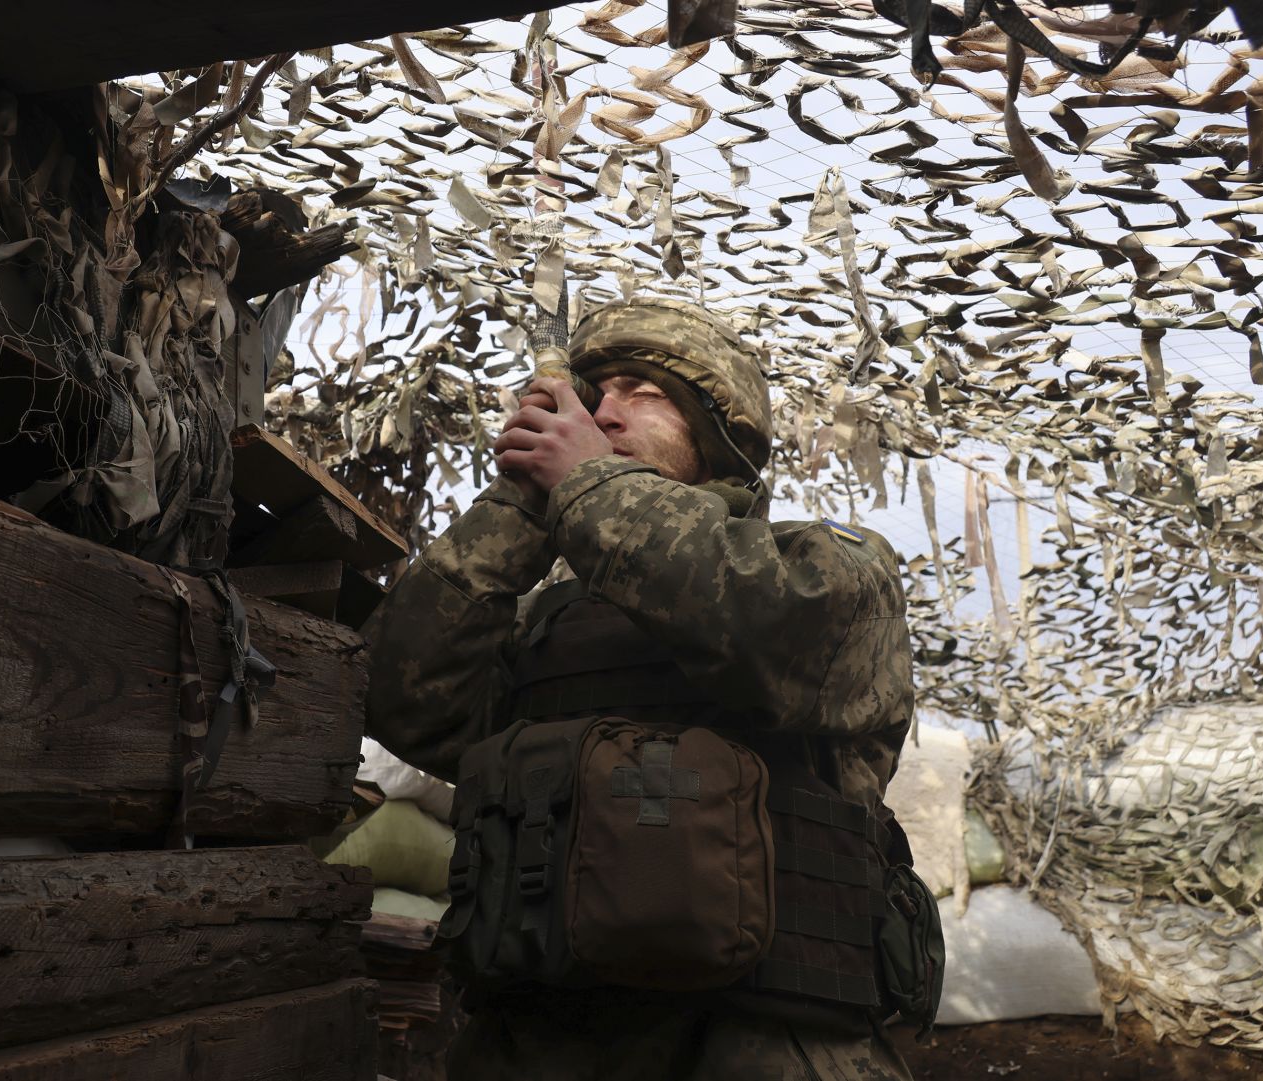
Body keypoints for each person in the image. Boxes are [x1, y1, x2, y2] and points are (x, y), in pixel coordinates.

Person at [364, 298, 924, 1081]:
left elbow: (756, 620)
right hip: (538, 1047)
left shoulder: (832, 567)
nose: (604, 412)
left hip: (765, 1049)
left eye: (645, 392)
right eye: (594, 394)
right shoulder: (543, 626)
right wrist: (520, 508)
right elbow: (407, 698)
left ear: (719, 432)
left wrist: (588, 484)